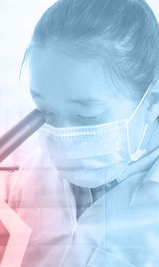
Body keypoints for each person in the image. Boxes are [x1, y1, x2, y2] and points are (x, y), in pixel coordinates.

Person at [9, 0, 159, 266]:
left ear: (152, 101)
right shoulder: (34, 173)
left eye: (86, 116)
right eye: (46, 112)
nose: (63, 140)